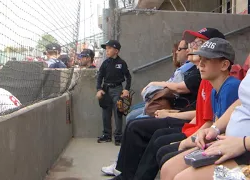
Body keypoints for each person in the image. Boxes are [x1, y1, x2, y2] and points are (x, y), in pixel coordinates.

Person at [103, 28, 225, 179]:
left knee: (145, 131)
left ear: (223, 62)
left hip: (199, 132)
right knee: (136, 124)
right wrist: (172, 114)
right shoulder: (205, 77)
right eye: (192, 43)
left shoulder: (220, 83)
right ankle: (125, 174)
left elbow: (212, 123)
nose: (192, 46)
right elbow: (202, 116)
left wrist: (176, 120)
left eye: (199, 43)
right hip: (190, 123)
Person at [133, 38, 240, 180]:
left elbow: (222, 130)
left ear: (224, 64)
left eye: (207, 60)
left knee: (166, 153)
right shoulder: (215, 89)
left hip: (233, 148)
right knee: (165, 152)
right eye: (200, 58)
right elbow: (215, 125)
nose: (200, 64)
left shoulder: (231, 87)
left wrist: (187, 141)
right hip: (214, 141)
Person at [96, 40, 132, 146]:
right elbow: (100, 77)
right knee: (106, 113)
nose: (106, 51)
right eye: (106, 49)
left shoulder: (122, 63)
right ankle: (107, 135)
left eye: (109, 49)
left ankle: (118, 137)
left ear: (116, 50)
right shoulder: (105, 63)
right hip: (105, 89)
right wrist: (99, 89)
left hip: (117, 89)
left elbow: (128, 77)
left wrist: (126, 89)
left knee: (118, 112)